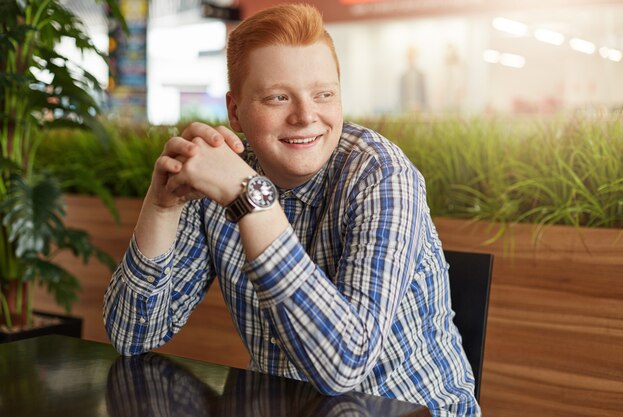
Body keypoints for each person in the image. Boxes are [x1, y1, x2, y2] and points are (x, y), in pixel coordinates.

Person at [103, 4, 480, 415]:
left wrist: (250, 197)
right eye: (278, 97)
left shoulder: (381, 174)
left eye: (324, 94)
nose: (305, 116)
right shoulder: (227, 172)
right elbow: (132, 335)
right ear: (235, 112)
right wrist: (162, 206)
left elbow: (343, 368)